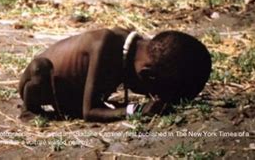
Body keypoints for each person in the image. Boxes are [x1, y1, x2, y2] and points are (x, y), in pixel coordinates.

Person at [18, 28, 212, 122]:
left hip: (70, 95)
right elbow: (89, 112)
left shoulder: (134, 49)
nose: (150, 96)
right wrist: (135, 110)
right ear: (146, 75)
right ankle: (29, 110)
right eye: (152, 92)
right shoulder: (105, 46)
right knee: (39, 69)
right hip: (41, 85)